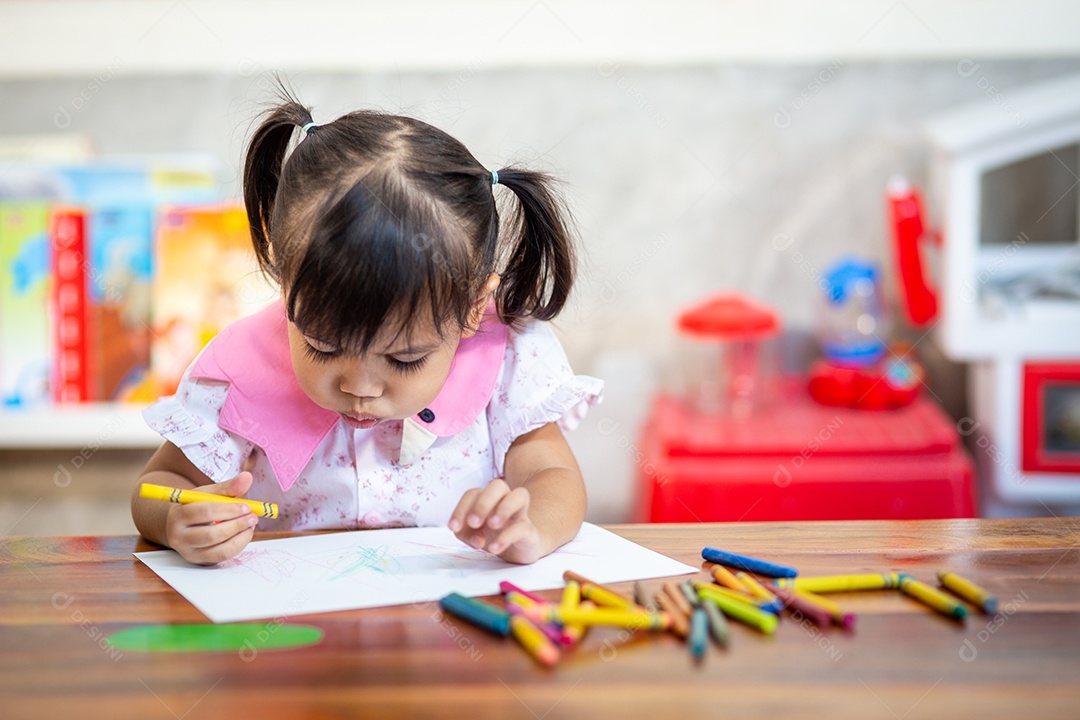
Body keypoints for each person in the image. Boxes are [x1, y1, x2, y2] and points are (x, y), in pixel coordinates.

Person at [131, 95, 602, 567]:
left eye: (404, 359)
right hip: (296, 622)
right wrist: (178, 520)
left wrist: (531, 526)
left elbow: (552, 475)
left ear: (474, 306)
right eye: (321, 347)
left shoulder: (505, 358)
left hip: (449, 622)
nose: (358, 387)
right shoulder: (242, 370)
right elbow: (158, 488)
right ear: (285, 276)